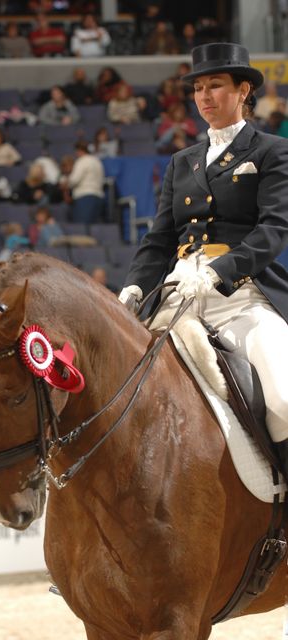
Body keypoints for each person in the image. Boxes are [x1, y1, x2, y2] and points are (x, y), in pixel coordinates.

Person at [119, 42, 288, 477]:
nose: (205, 97)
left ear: (243, 89)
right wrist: (136, 286)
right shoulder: (182, 161)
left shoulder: (271, 151)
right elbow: (159, 238)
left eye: (216, 85)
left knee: (284, 400)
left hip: (241, 294)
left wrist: (219, 270)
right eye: (198, 89)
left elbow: (274, 230)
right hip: (177, 292)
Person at [68, 140, 105, 223]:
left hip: (84, 198)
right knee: (94, 227)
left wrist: (66, 182)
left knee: (82, 228)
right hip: (98, 197)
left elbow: (74, 180)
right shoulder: (97, 161)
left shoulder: (82, 161)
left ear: (79, 150)